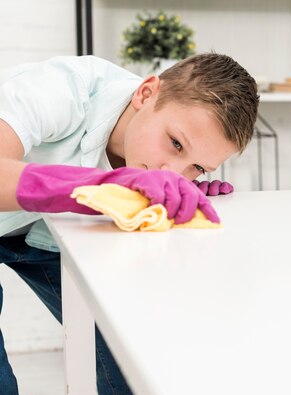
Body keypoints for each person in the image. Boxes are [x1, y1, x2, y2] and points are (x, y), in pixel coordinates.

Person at [0, 53, 259, 394]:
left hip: (41, 236)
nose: (173, 173)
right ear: (146, 93)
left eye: (197, 167)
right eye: (176, 143)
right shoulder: (63, 89)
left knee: (130, 356)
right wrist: (100, 187)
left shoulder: (159, 160)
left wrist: (178, 195)